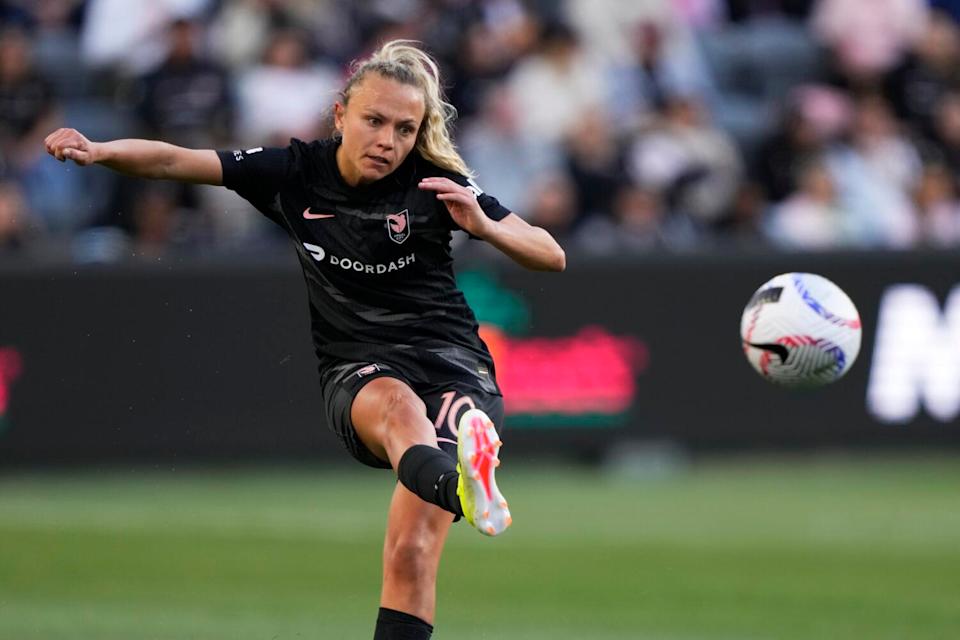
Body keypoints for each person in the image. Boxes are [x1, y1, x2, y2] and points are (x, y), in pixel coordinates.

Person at [44, 40, 566, 640]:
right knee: (400, 412)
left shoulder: (436, 185)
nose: (387, 141)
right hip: (358, 365)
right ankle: (463, 489)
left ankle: (463, 488)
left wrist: (483, 225)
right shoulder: (294, 173)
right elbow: (172, 161)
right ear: (340, 114)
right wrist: (100, 150)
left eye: (404, 129)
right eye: (374, 120)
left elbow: (550, 253)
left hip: (453, 365)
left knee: (410, 556)